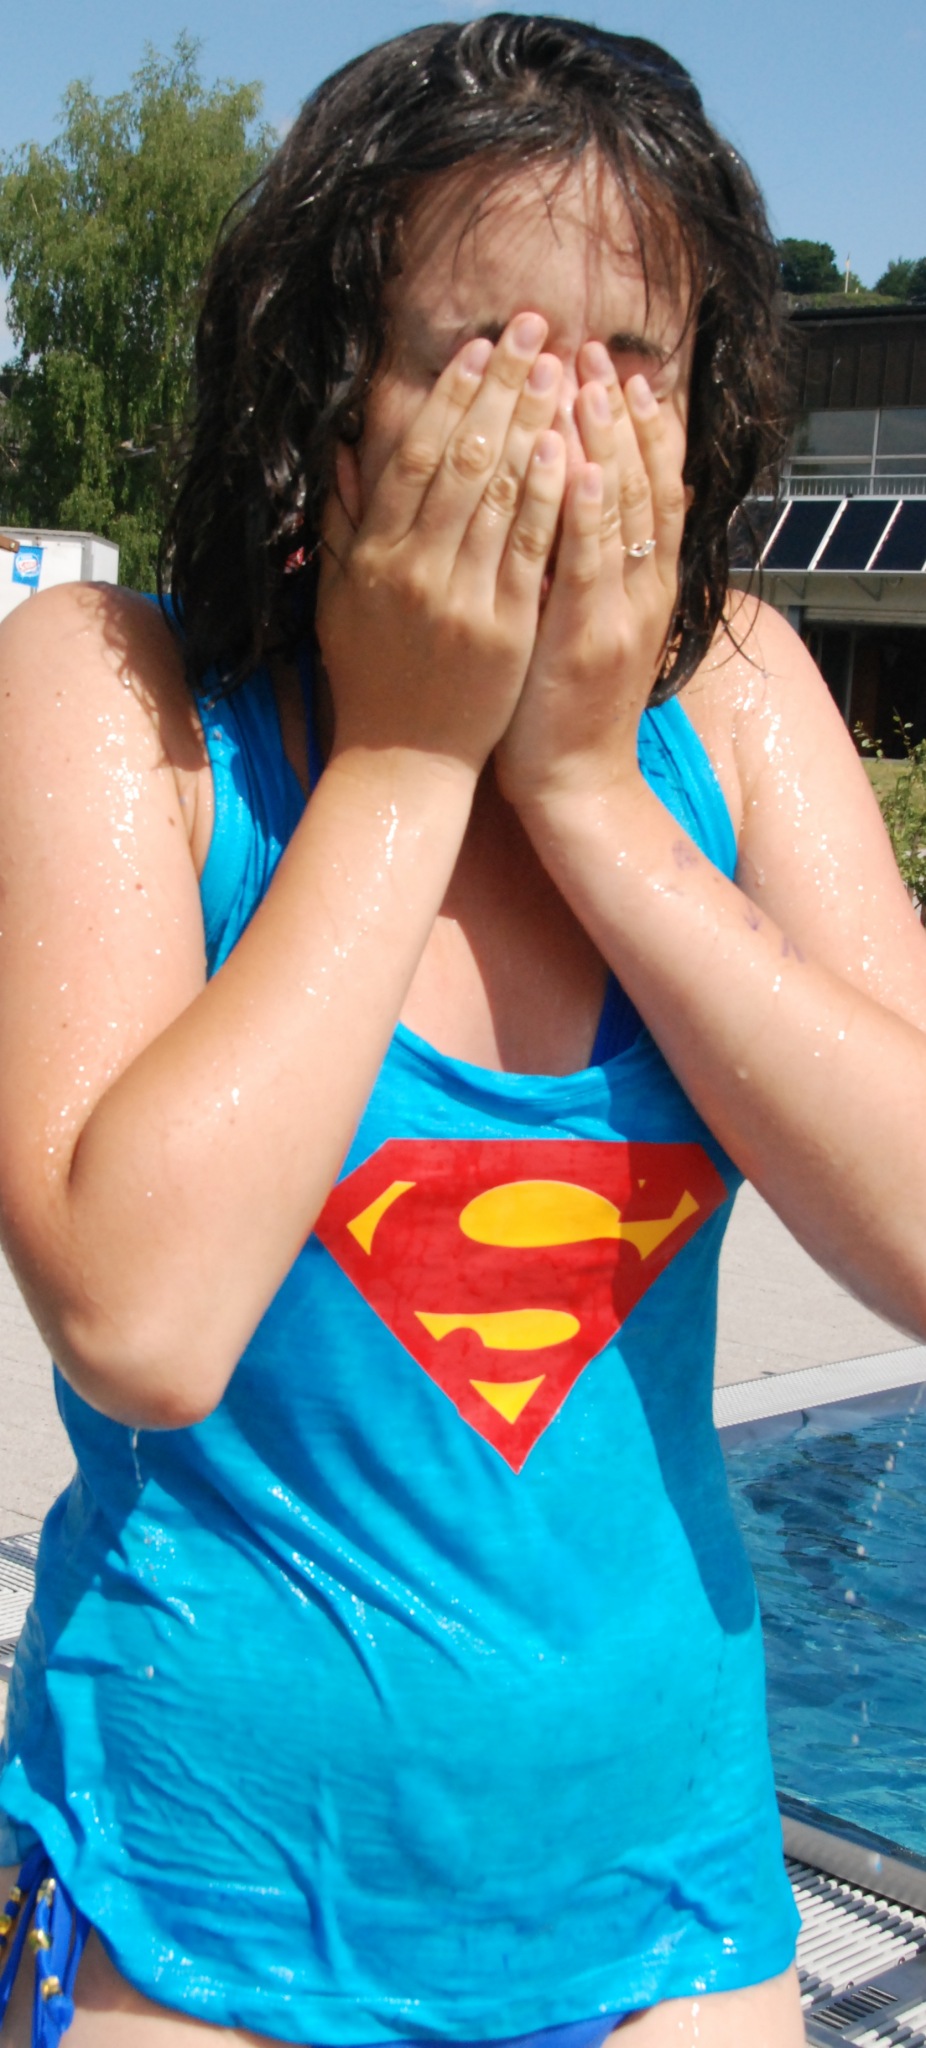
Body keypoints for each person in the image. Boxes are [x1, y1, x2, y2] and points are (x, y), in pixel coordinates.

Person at [0, 15, 924, 2046]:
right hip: (196, 1907)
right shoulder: (118, 702)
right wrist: (411, 757)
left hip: (665, 1910)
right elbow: (139, 1322)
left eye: (630, 361)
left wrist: (589, 795)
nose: (562, 437)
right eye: (486, 358)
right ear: (327, 402)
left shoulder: (741, 703)